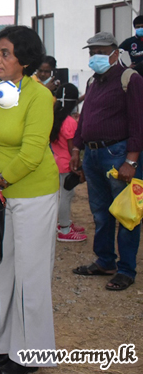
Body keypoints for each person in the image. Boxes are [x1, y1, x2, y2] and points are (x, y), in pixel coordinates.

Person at [0, 26, 59, 374]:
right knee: (1, 269)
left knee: (31, 273)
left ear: (25, 59)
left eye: (5, 53)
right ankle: (9, 347)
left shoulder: (38, 96)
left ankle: (32, 355)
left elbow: (34, 151)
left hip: (33, 192)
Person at [71, 31, 143, 292]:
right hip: (92, 155)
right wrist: (77, 148)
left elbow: (138, 122)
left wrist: (132, 162)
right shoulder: (93, 81)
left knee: (126, 214)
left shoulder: (129, 79)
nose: (95, 57)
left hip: (118, 155)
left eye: (101, 52)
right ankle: (105, 261)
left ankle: (126, 269)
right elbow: (85, 117)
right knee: (100, 213)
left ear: (115, 52)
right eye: (92, 53)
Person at [51, 83, 87, 242]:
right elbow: (73, 148)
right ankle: (64, 229)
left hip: (56, 162)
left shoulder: (55, 116)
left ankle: (63, 224)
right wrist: (78, 165)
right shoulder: (70, 122)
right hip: (67, 164)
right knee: (66, 196)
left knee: (62, 196)